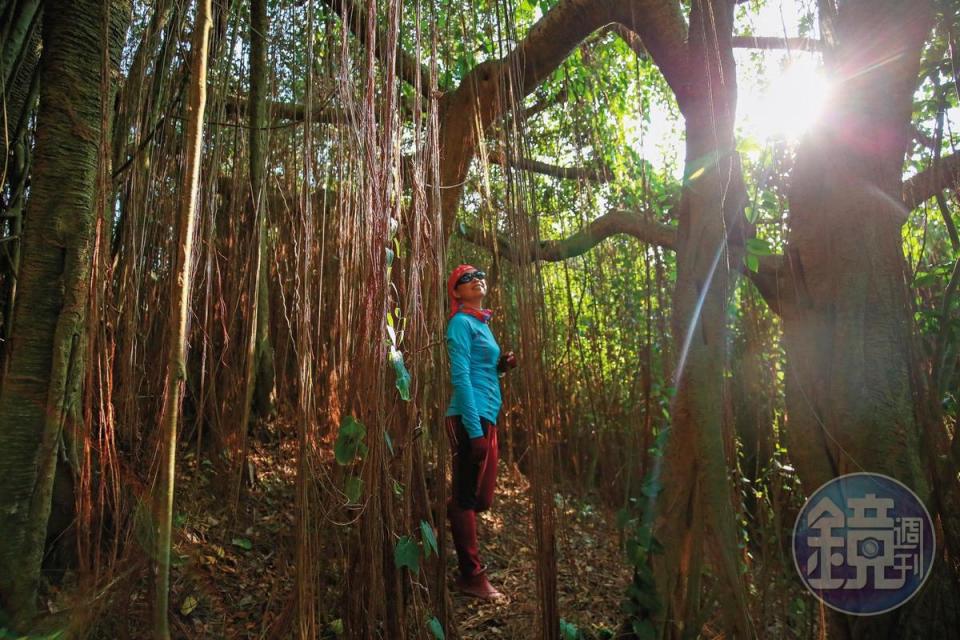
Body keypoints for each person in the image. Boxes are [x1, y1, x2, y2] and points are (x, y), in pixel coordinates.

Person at [444, 264, 516, 601]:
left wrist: (501, 366)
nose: (477, 280)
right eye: (467, 278)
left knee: (481, 498)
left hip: (489, 414)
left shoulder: (483, 325)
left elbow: (483, 370)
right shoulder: (459, 323)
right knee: (465, 498)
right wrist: (473, 432)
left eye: (480, 275)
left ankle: (448, 510)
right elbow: (461, 377)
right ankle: (472, 576)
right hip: (468, 416)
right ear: (456, 293)